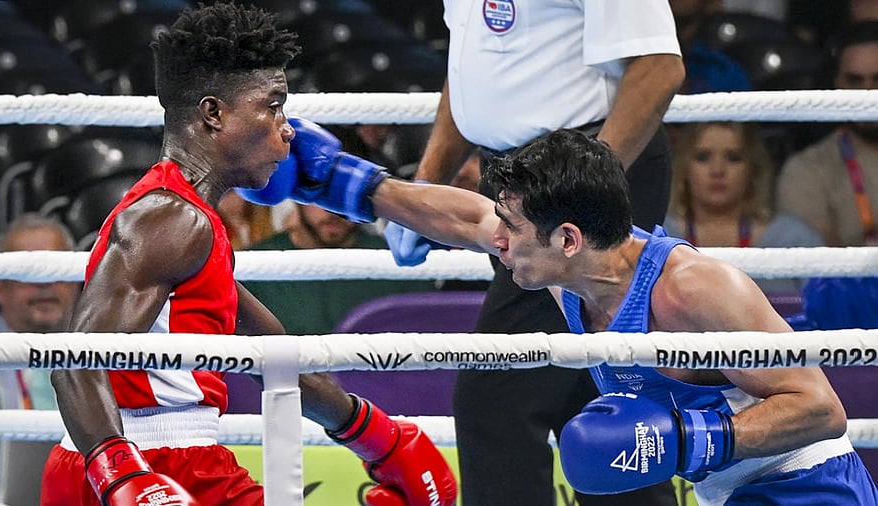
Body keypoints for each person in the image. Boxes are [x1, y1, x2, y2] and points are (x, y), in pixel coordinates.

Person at [268, 118, 878, 505]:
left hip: (808, 489)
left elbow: (822, 409)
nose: (496, 242)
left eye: (512, 229)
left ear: (567, 238)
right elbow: (465, 217)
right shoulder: (567, 269)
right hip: (729, 493)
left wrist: (691, 440)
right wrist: (347, 184)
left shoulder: (694, 289)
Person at [38, 3, 457, 506]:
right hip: (147, 458)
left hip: (144, 458)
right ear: (213, 113)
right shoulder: (171, 219)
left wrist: (379, 437)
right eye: (273, 105)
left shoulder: (192, 223)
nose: (289, 129)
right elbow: (77, 359)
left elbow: (273, 356)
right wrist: (122, 474)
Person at [383, 2, 686, 504]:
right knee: (599, 388)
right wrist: (427, 183)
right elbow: (475, 74)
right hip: (514, 175)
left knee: (497, 398)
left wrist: (582, 188)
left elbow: (659, 65)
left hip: (590, 166)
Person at [0, 214, 76, 503]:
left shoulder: (105, 352)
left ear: (75, 281)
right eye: (30, 274)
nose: (44, 285)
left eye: (55, 271)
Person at [664, 121, 823, 293]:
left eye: (733, 157)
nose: (717, 170)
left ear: (753, 169)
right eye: (703, 157)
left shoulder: (795, 240)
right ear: (683, 167)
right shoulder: (659, 237)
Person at [243, 201, 437, 336]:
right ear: (296, 196)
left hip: (386, 393)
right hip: (286, 392)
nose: (332, 210)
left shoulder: (401, 264)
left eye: (342, 195)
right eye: (319, 195)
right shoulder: (253, 266)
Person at [777, 20, 878, 247]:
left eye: (877, 79)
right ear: (837, 83)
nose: (868, 93)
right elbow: (818, 272)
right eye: (855, 80)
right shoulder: (806, 170)